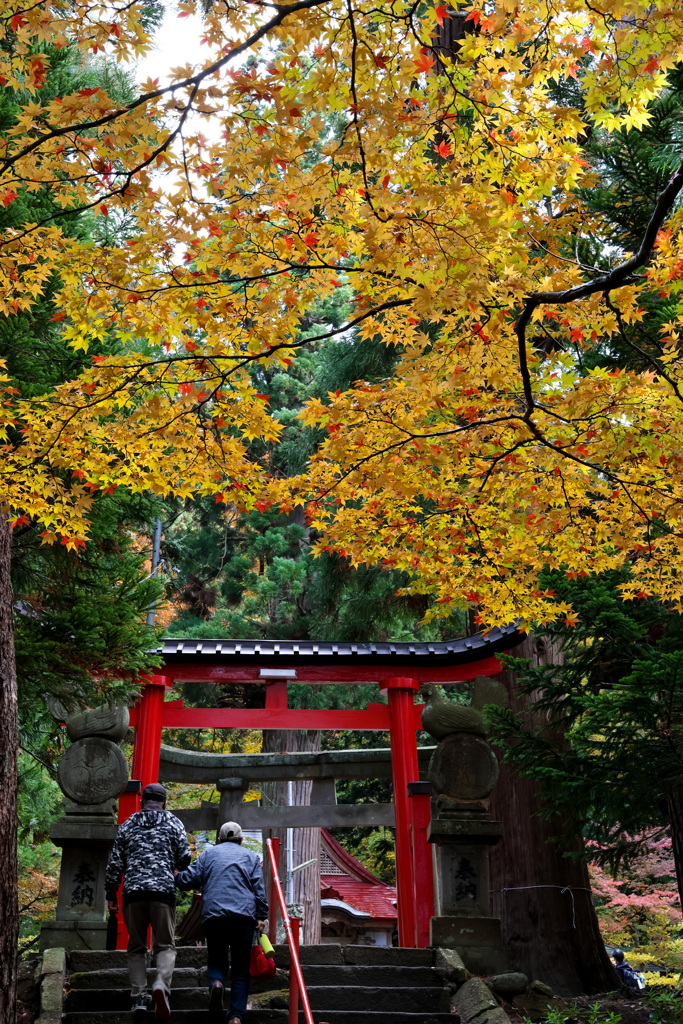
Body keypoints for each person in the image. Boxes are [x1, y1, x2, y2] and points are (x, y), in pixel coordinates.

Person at [106, 782, 191, 1022]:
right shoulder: (174, 823)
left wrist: (111, 895)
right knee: (164, 945)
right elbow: (185, 857)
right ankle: (161, 986)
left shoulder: (128, 825)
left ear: (143, 801)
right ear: (164, 802)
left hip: (133, 893)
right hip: (162, 892)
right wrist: (170, 867)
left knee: (136, 946)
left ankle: (139, 997)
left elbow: (114, 864)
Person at [175, 821, 268, 1024]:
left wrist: (176, 874)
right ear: (241, 839)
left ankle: (217, 983)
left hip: (214, 915)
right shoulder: (251, 857)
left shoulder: (208, 854)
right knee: (241, 968)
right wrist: (261, 915)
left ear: (219, 839)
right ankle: (235, 1016)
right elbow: (259, 890)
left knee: (216, 958)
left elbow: (187, 880)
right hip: (243, 916)